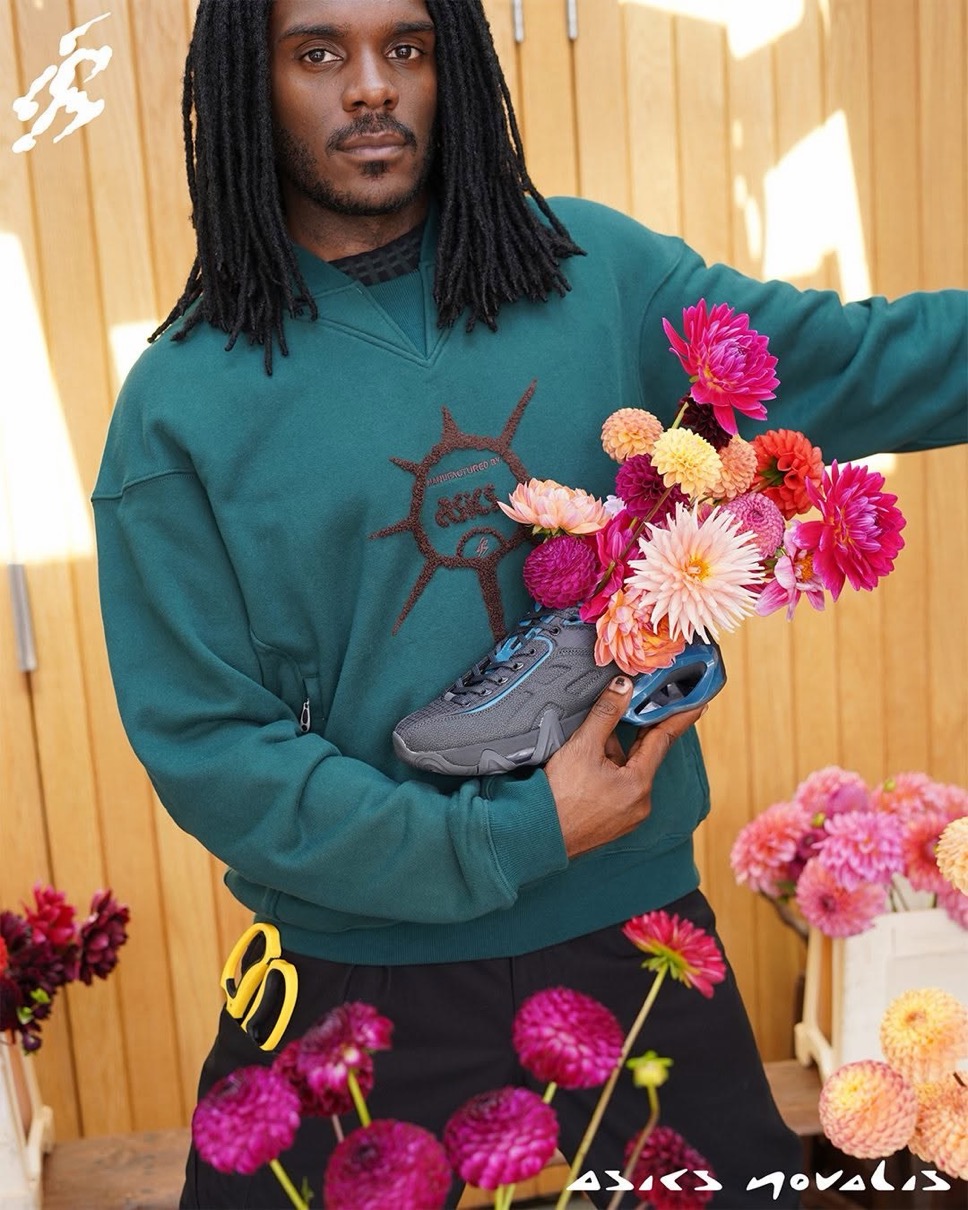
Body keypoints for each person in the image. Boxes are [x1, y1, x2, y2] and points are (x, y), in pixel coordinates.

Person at [91, 1, 966, 1206]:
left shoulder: (597, 274)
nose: (370, 86)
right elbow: (211, 749)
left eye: (406, 47)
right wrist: (512, 833)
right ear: (249, 80)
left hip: (637, 940)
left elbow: (856, 362)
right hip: (355, 976)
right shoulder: (179, 404)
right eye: (318, 52)